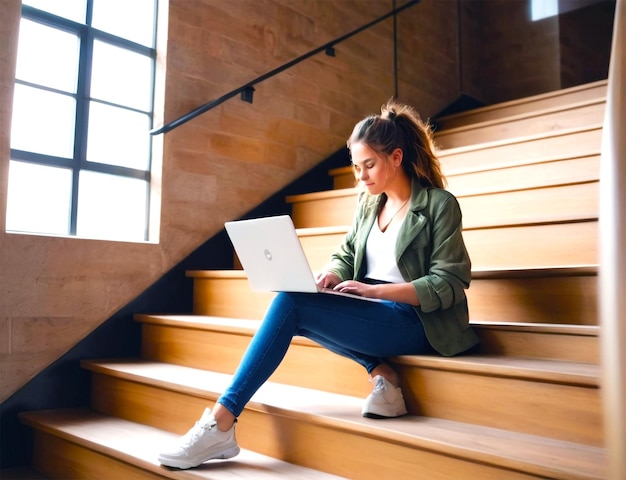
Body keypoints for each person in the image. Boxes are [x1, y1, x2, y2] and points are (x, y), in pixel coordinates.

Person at [157, 100, 480, 469]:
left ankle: (221, 422)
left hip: (416, 321)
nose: (361, 177)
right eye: (357, 167)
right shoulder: (368, 205)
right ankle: (382, 373)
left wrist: (374, 291)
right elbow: (345, 255)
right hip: (375, 311)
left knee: (292, 305)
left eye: (369, 165)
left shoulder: (439, 205)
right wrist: (332, 274)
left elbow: (449, 283)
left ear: (396, 157)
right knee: (301, 301)